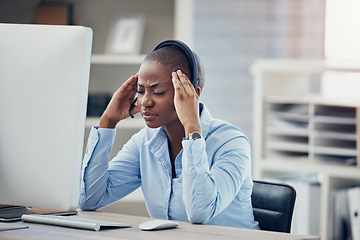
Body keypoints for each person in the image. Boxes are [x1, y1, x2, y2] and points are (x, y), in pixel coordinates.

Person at [79, 40, 259, 229]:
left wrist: (192, 128)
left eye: (158, 91)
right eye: (140, 91)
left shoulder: (231, 142)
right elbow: (89, 199)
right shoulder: (145, 142)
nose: (145, 102)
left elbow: (200, 213)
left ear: (192, 94)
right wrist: (108, 121)